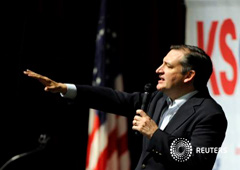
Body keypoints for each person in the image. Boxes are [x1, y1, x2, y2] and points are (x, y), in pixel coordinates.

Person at [23, 44, 227, 170]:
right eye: (162, 64)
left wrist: (155, 134)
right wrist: (66, 88)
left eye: (168, 66)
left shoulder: (210, 114)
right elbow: (114, 99)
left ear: (189, 76)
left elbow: (198, 161)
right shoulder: (158, 99)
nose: (159, 70)